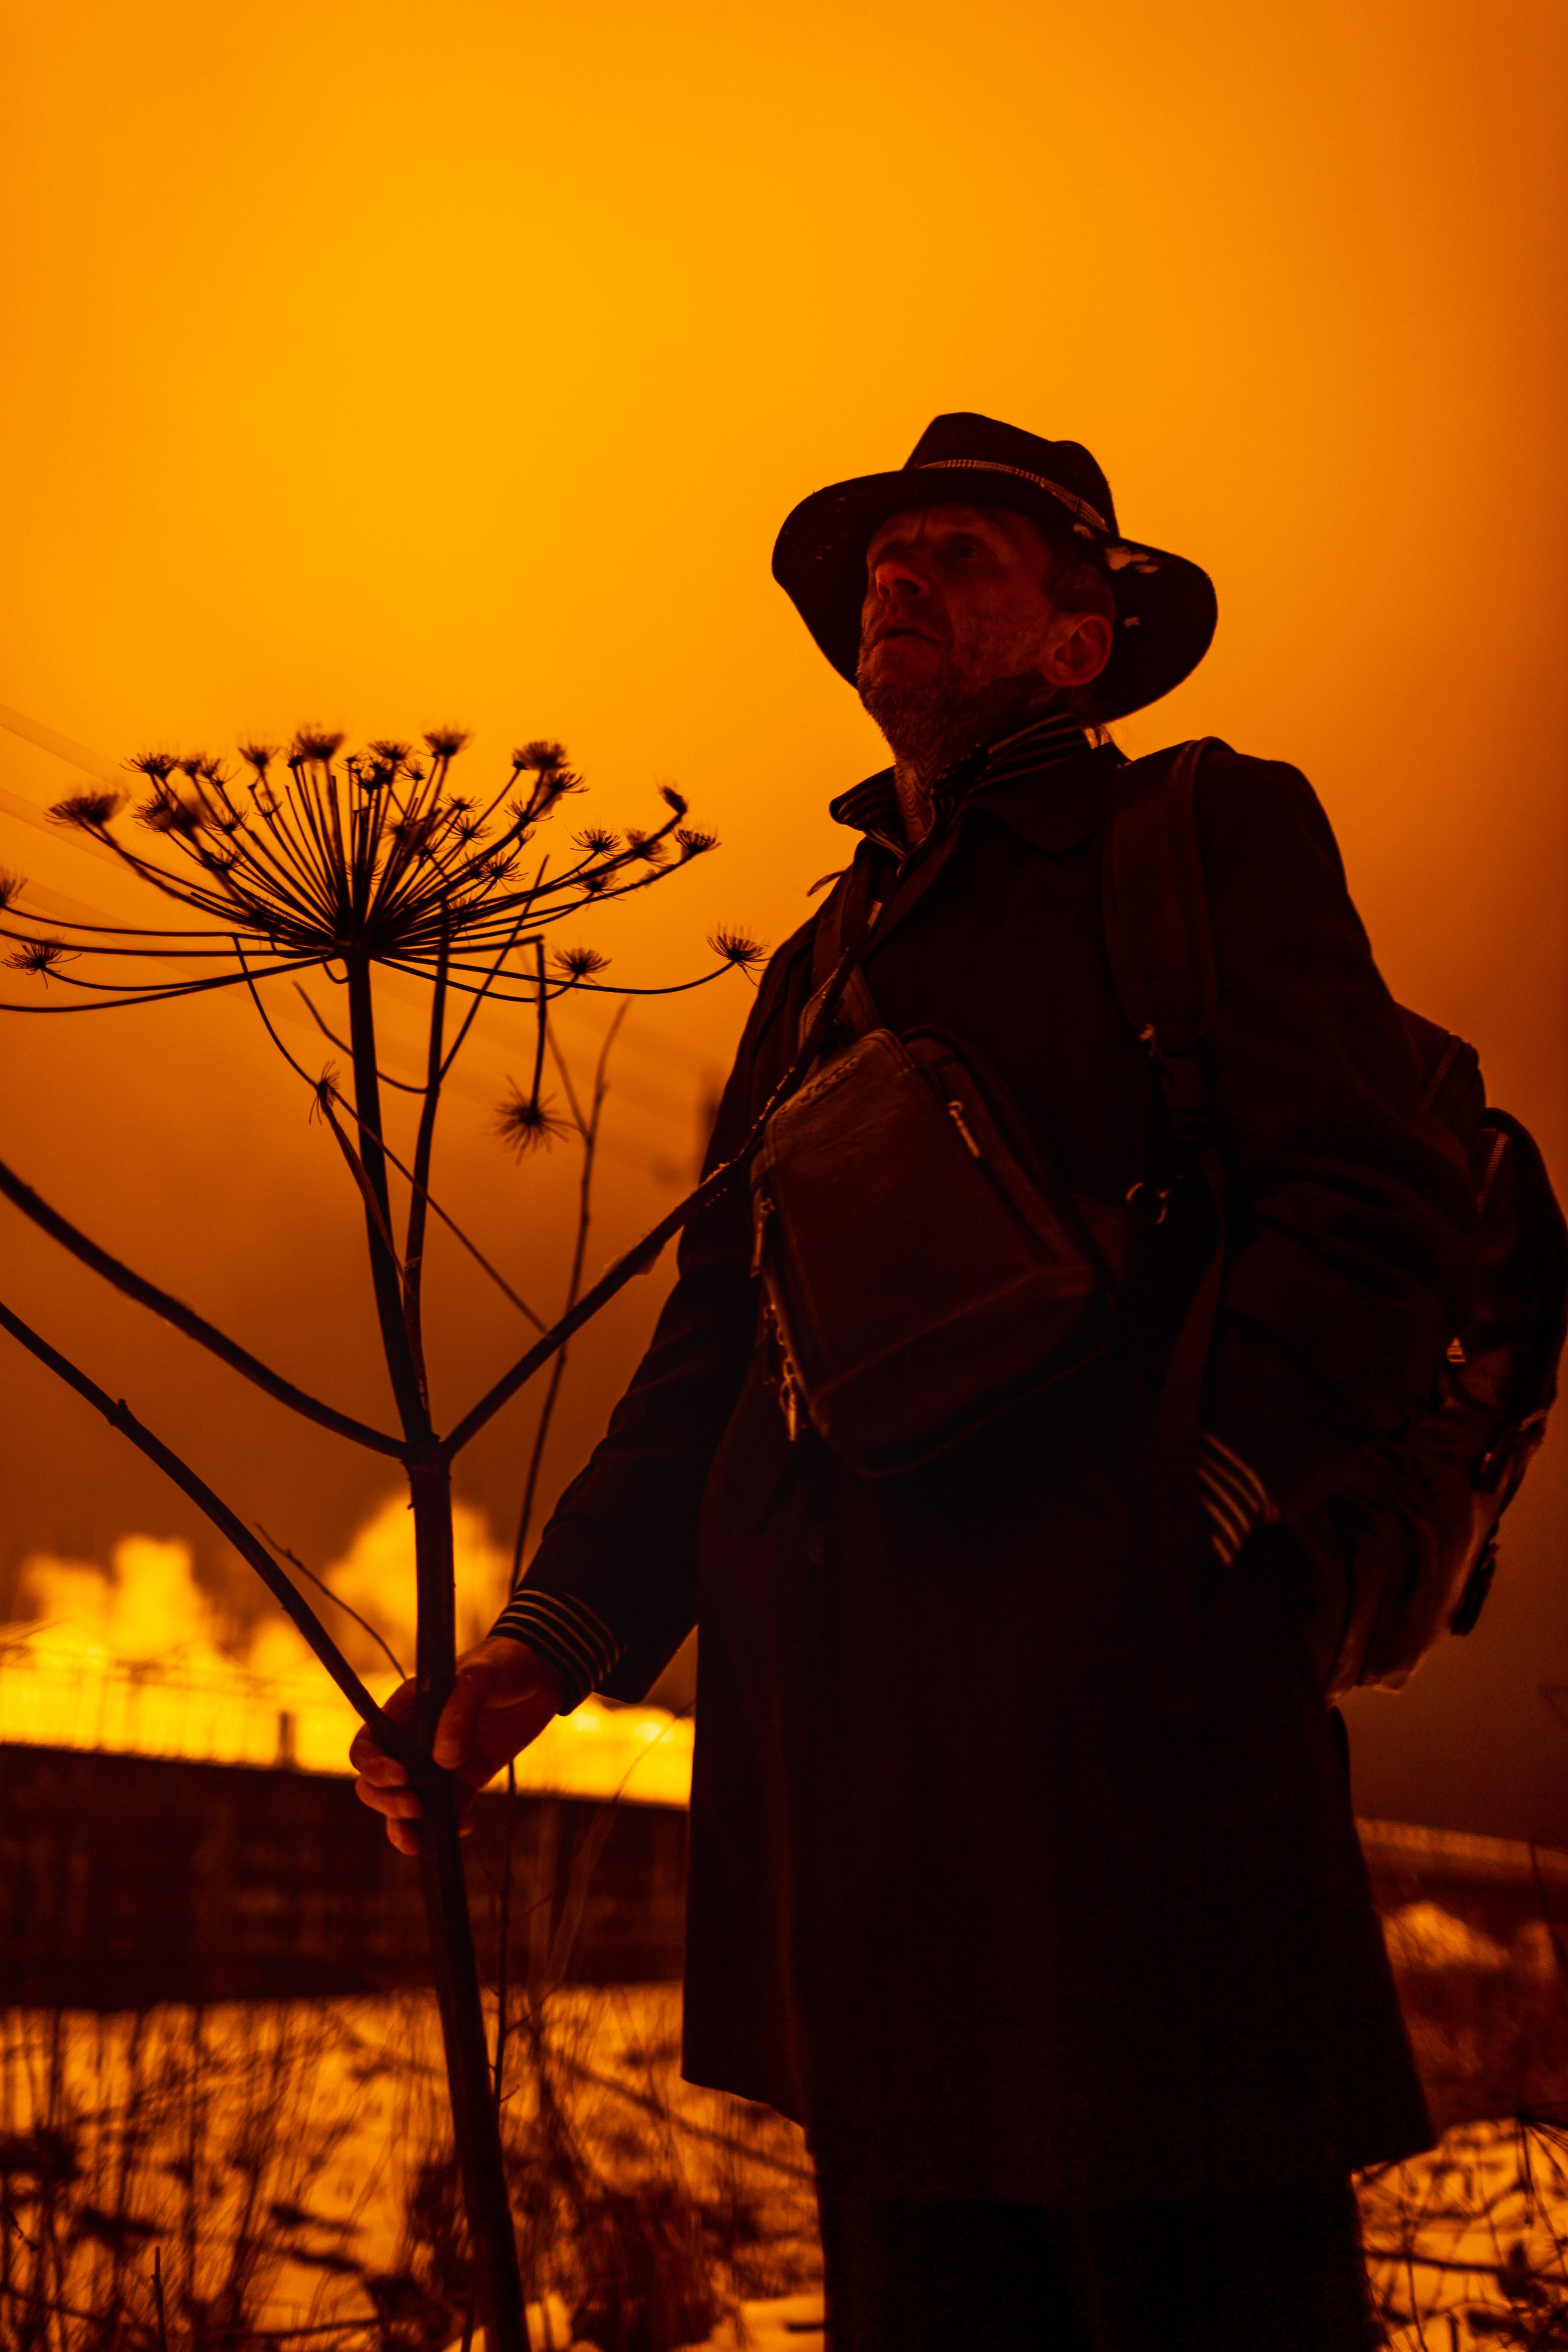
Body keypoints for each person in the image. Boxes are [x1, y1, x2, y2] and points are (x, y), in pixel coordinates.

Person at [353, 413, 1476, 2348]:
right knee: (929, 2291)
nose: (900, 575)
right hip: (851, 1783)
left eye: (963, 554)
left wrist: (1189, 1517)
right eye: (888, 557)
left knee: (1202, 2274)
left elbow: (1376, 1207)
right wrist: (545, 1643)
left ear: (1080, 643)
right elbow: (719, 1342)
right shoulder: (812, 969)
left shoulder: (1201, 836)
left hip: (1136, 1757)